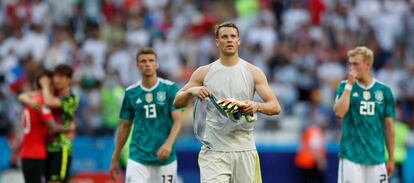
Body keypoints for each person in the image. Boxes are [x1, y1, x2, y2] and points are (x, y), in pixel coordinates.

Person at [174, 22, 281, 183]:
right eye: (224, 36)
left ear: (239, 40)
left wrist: (256, 106)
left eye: (233, 36)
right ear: (217, 41)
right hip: (214, 150)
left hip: (244, 149)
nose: (229, 40)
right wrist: (191, 91)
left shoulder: (253, 72)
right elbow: (177, 102)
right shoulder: (204, 72)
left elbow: (275, 106)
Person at [109, 47, 183, 183]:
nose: (147, 64)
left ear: (157, 64)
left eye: (151, 60)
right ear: (137, 66)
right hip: (138, 157)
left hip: (165, 158)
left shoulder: (170, 88)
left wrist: (168, 144)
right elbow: (124, 126)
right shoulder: (131, 92)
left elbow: (178, 121)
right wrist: (115, 157)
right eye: (143, 61)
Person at [333, 46, 395, 183]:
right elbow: (339, 113)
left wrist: (391, 158)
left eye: (355, 64)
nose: (351, 68)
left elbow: (389, 126)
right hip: (351, 156)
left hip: (376, 156)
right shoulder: (344, 86)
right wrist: (349, 85)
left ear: (368, 64)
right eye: (350, 64)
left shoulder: (384, 91)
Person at [17, 69, 74, 183]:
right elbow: (53, 127)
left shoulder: (31, 99)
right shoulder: (41, 103)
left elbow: (22, 96)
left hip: (28, 151)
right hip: (36, 153)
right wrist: (70, 127)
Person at [41, 64, 79, 183]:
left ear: (69, 79)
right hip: (46, 146)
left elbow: (48, 102)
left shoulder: (71, 97)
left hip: (61, 146)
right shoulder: (53, 93)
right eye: (55, 76)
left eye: (61, 76)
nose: (56, 79)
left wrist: (45, 85)